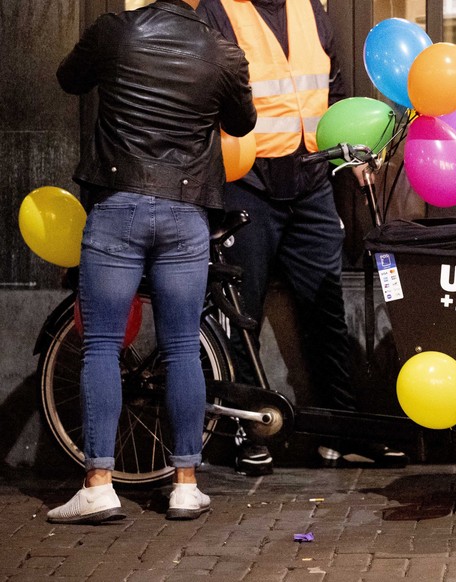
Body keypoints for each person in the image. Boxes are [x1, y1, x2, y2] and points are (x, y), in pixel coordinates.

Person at [48, 0, 256, 524]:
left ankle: (98, 486)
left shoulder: (115, 32)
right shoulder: (224, 52)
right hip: (187, 213)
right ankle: (185, 484)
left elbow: (69, 79)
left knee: (100, 343)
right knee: (183, 345)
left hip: (118, 203)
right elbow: (243, 122)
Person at [196, 0, 408, 472]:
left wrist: (352, 151)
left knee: (325, 308)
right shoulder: (218, 9)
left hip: (312, 179)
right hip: (245, 182)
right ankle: (249, 429)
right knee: (240, 314)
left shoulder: (310, 9)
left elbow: (332, 88)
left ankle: (341, 431)